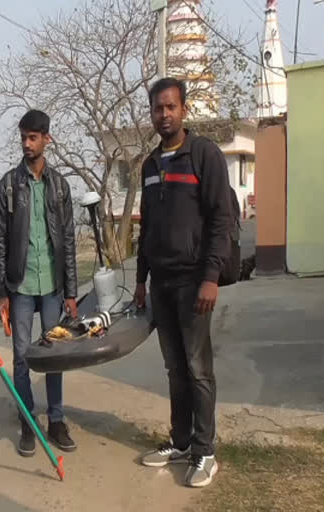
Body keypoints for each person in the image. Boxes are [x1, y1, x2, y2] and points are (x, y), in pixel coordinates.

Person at [135, 78, 232, 488]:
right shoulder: (150, 165)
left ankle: (205, 450)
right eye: (158, 108)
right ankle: (180, 441)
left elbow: (222, 220)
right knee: (175, 368)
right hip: (161, 283)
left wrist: (210, 277)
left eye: (171, 107)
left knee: (197, 368)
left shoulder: (204, 155)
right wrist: (140, 281)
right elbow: (147, 229)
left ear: (184, 110)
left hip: (194, 281)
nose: (164, 115)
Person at [0, 109, 78, 457]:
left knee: (54, 355)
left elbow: (68, 240)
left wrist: (71, 292)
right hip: (21, 287)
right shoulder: (8, 186)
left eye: (33, 138)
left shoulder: (60, 186)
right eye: (23, 137)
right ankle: (28, 422)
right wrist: (2, 292)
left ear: (47, 139)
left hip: (53, 288)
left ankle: (56, 420)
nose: (27, 144)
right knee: (21, 357)